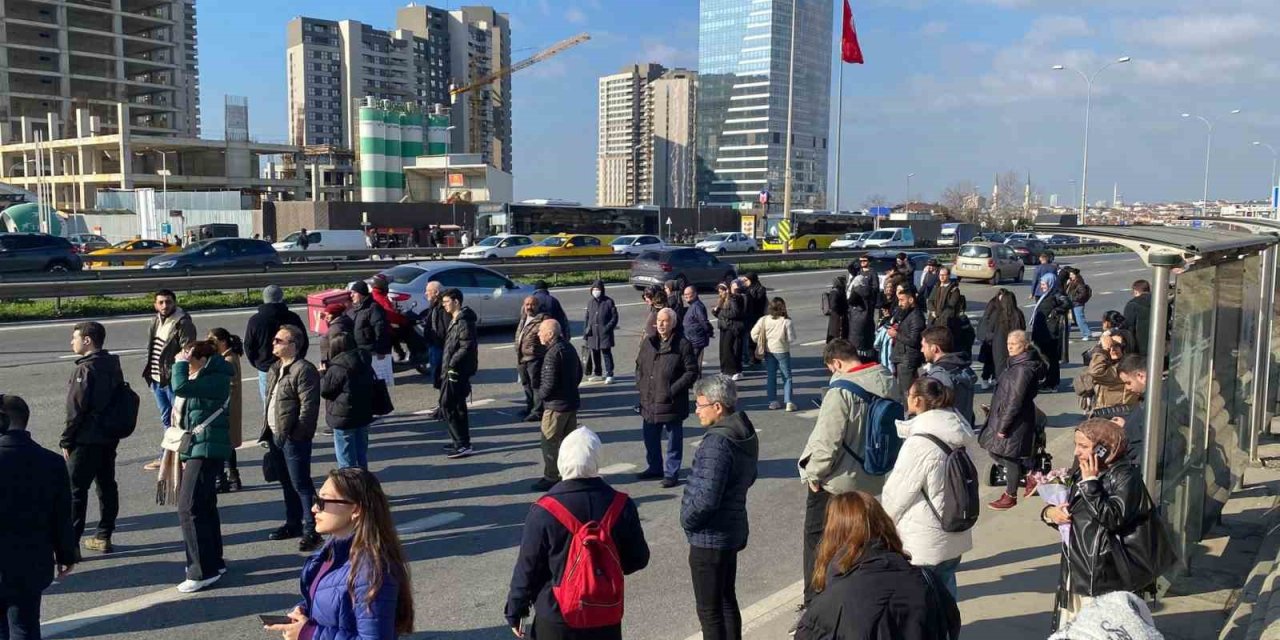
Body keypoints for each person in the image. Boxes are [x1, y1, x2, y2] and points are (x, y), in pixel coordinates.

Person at [505, 428, 650, 639]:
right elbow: (638, 559)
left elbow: (528, 567)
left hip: (556, 615)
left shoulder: (544, 510)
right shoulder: (621, 504)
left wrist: (516, 609)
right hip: (604, 612)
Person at [797, 339, 901, 609]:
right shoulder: (887, 379)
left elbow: (827, 442)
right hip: (872, 475)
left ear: (837, 363)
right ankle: (856, 592)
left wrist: (813, 475)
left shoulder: (840, 392)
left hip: (837, 483)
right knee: (857, 539)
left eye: (832, 369)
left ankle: (816, 601)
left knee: (818, 541)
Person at [1043, 418, 1170, 630]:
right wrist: (1050, 513)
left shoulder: (1124, 476)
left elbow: (1112, 518)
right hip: (1076, 567)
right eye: (1076, 445)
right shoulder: (1084, 470)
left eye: (1083, 446)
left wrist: (1091, 483)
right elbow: (1075, 512)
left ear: (1104, 449)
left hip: (1101, 574)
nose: (1076, 452)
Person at [266, 468, 414, 640]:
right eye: (316, 499)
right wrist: (304, 609)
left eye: (323, 501)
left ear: (356, 509)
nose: (314, 508)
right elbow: (335, 603)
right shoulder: (331, 552)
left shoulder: (371, 570)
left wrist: (309, 633)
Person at [793, 491, 960, 640]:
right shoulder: (928, 581)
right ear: (885, 526)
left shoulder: (828, 606)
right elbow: (950, 625)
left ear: (832, 537)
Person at [881, 377, 976, 599]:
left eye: (909, 395)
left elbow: (897, 494)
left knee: (920, 600)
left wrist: (883, 525)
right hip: (955, 528)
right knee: (946, 592)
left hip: (924, 539)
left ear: (919, 400)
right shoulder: (958, 432)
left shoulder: (920, 443)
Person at [682, 375, 759, 640]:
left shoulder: (717, 442)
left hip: (709, 536)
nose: (696, 410)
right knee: (726, 600)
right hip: (730, 528)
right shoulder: (743, 431)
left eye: (700, 405)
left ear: (718, 407)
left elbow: (705, 499)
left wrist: (687, 519)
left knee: (710, 611)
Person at [0, 395, 78, 637]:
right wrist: (67, 554)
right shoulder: (52, 462)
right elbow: (62, 516)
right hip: (32, 563)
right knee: (25, 626)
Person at [169, 340, 232, 592]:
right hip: (198, 447)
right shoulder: (206, 375)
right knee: (204, 506)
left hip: (206, 449)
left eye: (190, 360)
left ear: (202, 360)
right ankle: (214, 561)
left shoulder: (216, 378)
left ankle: (200, 571)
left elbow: (180, 386)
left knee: (189, 507)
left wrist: (180, 365)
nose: (186, 365)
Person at [62, 321, 124, 553]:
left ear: (87, 340)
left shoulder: (84, 369)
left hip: (86, 439)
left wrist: (66, 440)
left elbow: (75, 410)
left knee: (75, 492)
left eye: (74, 337)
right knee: (106, 486)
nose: (72, 342)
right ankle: (104, 535)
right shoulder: (112, 363)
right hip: (108, 436)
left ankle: (71, 544)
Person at [260, 324, 323, 552]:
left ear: (294, 345)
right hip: (275, 434)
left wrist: (299, 434)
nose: (274, 343)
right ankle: (293, 523)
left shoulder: (303, 370)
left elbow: (309, 407)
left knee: (301, 484)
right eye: (275, 339)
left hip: (293, 437)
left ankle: (312, 529)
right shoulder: (276, 367)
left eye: (280, 340)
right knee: (286, 483)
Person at [635, 307, 698, 488]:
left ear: (673, 323)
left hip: (672, 402)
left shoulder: (682, 344)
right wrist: (640, 384)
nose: (661, 324)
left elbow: (691, 371)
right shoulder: (649, 342)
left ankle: (671, 473)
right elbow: (639, 365)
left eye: (665, 321)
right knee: (650, 437)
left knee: (673, 441)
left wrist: (673, 389)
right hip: (649, 400)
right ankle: (654, 467)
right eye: (659, 321)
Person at [983, 330, 1044, 511]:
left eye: (1014, 344)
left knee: (1007, 456)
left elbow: (1015, 400)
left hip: (1015, 420)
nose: (1009, 347)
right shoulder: (1016, 364)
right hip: (1011, 417)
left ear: (1024, 346)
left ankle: (1010, 495)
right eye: (1008, 343)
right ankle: (1030, 475)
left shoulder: (1022, 370)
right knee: (996, 451)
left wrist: (1004, 426)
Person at [143, 289, 196, 470]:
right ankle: (174, 455)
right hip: (157, 378)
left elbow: (187, 351)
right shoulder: (155, 320)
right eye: (161, 302)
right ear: (155, 304)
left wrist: (180, 375)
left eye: (168, 302)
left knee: (178, 418)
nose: (165, 305)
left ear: (174, 302)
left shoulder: (183, 323)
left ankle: (173, 456)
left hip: (172, 379)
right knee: (167, 418)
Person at [533, 319, 583, 492]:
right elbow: (579, 373)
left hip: (555, 407)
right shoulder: (568, 347)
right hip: (570, 402)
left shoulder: (552, 353)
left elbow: (548, 383)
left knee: (549, 442)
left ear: (550, 334)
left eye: (541, 331)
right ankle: (570, 474)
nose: (538, 334)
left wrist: (539, 399)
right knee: (568, 443)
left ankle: (552, 476)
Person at [320, 333, 377, 470]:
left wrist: (323, 375)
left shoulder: (337, 367)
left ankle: (350, 485)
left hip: (343, 416)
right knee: (361, 451)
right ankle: (363, 479)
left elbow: (326, 391)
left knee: (345, 455)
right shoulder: (364, 361)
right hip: (363, 412)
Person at [244, 285, 309, 403]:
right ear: (281, 297)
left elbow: (248, 346)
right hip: (291, 365)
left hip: (266, 367)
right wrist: (298, 358)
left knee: (269, 404)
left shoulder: (255, 320)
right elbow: (303, 341)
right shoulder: (293, 318)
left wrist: (258, 363)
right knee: (290, 403)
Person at [440, 288, 478, 459]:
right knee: (453, 406)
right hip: (452, 369)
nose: (444, 306)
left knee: (450, 405)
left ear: (456, 302)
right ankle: (459, 441)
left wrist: (452, 363)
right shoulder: (455, 319)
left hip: (457, 371)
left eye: (447, 302)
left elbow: (466, 346)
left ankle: (463, 443)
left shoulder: (463, 321)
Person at [207, 328, 245, 494]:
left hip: (226, 406)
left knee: (224, 443)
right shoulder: (228, 357)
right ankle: (229, 477)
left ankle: (226, 477)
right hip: (229, 405)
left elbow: (224, 382)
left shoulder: (227, 359)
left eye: (213, 342)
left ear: (222, 342)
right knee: (226, 443)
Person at [921, 326, 977, 426]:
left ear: (934, 348)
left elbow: (934, 413)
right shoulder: (962, 368)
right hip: (963, 429)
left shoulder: (939, 376)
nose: (922, 350)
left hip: (944, 434)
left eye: (923, 346)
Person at [752, 297, 797, 411]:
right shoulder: (786, 321)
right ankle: (789, 401)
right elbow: (792, 339)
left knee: (771, 376)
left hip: (768, 351)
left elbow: (753, 334)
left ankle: (773, 401)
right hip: (782, 351)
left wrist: (761, 341)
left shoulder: (764, 320)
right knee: (786, 377)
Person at [346, 281, 393, 388]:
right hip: (361, 351)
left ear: (361, 293)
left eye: (354, 293)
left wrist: (381, 350)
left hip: (371, 352)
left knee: (375, 383)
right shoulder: (357, 308)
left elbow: (381, 330)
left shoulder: (373, 308)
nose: (351, 295)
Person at [977, 288, 1026, 390]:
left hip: (998, 347)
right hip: (1016, 346)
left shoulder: (998, 314)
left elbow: (989, 329)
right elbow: (1023, 328)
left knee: (1000, 369)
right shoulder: (1018, 314)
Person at [1031, 272, 1072, 391]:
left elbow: (1067, 303)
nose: (1042, 286)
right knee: (1046, 358)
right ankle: (1048, 380)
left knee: (1051, 359)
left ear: (1050, 283)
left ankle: (1052, 384)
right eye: (1041, 283)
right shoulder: (1046, 295)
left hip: (1050, 334)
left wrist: (1056, 311)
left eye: (1044, 284)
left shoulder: (1055, 295)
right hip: (1043, 332)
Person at [888, 286, 926, 399]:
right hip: (902, 356)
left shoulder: (916, 316)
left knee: (907, 393)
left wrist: (896, 335)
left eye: (902, 300)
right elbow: (896, 316)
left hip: (907, 358)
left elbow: (914, 340)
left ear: (911, 300)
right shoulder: (907, 312)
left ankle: (908, 414)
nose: (900, 303)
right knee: (907, 390)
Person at [1088, 330, 1140, 411]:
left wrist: (1101, 350)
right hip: (1104, 412)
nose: (1112, 349)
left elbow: (1096, 372)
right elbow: (1080, 387)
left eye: (1117, 345)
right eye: (1110, 345)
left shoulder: (1127, 367)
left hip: (1119, 413)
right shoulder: (1105, 363)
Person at [369, 274, 415, 363]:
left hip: (384, 326)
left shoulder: (377, 295)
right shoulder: (380, 298)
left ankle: (400, 353)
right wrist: (404, 319)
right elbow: (392, 316)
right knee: (407, 330)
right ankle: (416, 353)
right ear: (383, 285)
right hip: (386, 327)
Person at [516, 296, 549, 422]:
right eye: (527, 304)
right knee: (526, 384)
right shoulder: (524, 317)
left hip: (534, 358)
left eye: (532, 305)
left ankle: (538, 411)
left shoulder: (543, 319)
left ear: (538, 306)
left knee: (535, 385)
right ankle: (529, 407)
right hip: (522, 357)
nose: (529, 307)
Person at [584, 279, 619, 384]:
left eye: (597, 289)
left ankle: (609, 374)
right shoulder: (590, 302)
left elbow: (614, 317)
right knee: (595, 354)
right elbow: (586, 318)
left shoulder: (608, 302)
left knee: (606, 353)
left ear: (602, 290)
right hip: (592, 334)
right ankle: (598, 373)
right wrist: (585, 333)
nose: (595, 291)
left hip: (604, 334)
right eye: (594, 289)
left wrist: (607, 328)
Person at [713, 281, 746, 380]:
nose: (720, 293)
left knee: (729, 350)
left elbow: (735, 313)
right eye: (719, 291)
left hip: (731, 328)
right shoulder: (722, 300)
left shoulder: (732, 299)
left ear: (726, 290)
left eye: (721, 291)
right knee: (723, 351)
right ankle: (724, 370)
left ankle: (733, 371)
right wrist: (716, 311)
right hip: (724, 327)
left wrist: (721, 312)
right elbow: (719, 314)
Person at [1115, 353, 1148, 453]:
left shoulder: (1157, 401)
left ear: (1140, 376)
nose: (1127, 388)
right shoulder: (1148, 397)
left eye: (1128, 382)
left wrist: (1125, 427)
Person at [846, 258, 878, 357]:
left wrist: (864, 290)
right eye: (861, 261)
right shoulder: (859, 271)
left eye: (865, 260)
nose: (863, 262)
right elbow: (850, 267)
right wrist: (855, 260)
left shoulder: (872, 273)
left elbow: (875, 288)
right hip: (860, 310)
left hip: (866, 306)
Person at [422, 281, 449, 387]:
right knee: (437, 374)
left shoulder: (444, 307)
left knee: (440, 374)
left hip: (440, 346)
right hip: (434, 344)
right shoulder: (434, 304)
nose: (425, 293)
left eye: (428, 291)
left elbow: (445, 329)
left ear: (436, 292)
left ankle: (446, 401)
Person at [682, 286, 714, 376]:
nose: (686, 296)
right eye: (685, 295)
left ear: (695, 294)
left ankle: (696, 380)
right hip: (693, 338)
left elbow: (703, 321)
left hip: (696, 339)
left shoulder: (697, 306)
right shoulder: (693, 305)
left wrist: (709, 331)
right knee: (692, 361)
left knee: (694, 362)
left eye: (689, 294)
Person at [741, 273, 768, 369]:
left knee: (754, 339)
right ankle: (752, 358)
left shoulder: (760, 290)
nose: (744, 283)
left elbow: (758, 302)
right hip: (749, 317)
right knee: (749, 339)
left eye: (745, 280)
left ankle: (755, 359)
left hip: (756, 317)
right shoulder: (747, 289)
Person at [317, 302, 352, 372]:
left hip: (333, 362)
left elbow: (335, 348)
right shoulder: (340, 323)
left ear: (335, 314)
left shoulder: (336, 329)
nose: (325, 316)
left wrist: (328, 364)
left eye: (328, 314)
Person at [1124, 280, 1153, 356]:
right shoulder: (1160, 302)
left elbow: (1128, 326)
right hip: (1161, 345)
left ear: (1136, 291)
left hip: (1140, 347)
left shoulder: (1133, 304)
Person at [1064, 269, 1094, 340]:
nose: (1070, 276)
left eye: (1072, 275)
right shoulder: (1072, 282)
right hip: (1073, 304)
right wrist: (1067, 284)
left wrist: (1074, 299)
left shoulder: (1079, 283)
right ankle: (1086, 333)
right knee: (1073, 319)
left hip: (1078, 304)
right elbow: (1066, 291)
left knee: (1080, 319)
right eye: (1070, 275)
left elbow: (1082, 294)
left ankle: (1087, 334)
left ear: (1076, 275)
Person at [824, 275, 849, 343]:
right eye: (843, 282)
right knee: (836, 337)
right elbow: (834, 306)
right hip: (837, 319)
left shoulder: (841, 291)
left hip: (840, 318)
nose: (845, 284)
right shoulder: (835, 292)